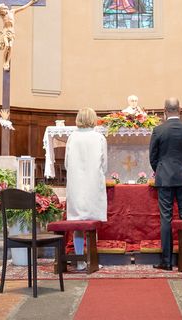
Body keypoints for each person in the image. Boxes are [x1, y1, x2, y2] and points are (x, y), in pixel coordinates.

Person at [149, 97, 182, 270]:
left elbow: (153, 158)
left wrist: (162, 170)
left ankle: (167, 262)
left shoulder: (158, 130)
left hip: (165, 178)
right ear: (180, 109)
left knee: (166, 219)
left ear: (164, 110)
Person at [64, 107, 108, 271]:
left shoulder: (72, 137)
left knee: (77, 223)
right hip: (93, 183)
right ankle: (92, 259)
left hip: (76, 183)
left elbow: (67, 163)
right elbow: (104, 164)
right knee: (91, 221)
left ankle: (80, 260)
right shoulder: (99, 138)